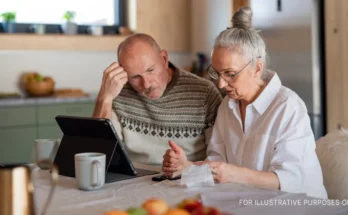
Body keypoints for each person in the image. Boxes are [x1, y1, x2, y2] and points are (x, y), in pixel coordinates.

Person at [162, 7, 327, 199]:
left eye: (230, 74)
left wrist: (233, 174)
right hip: (250, 202)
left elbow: (290, 179)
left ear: (257, 68)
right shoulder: (227, 106)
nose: (221, 84)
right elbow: (217, 166)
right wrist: (187, 167)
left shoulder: (287, 106)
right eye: (216, 72)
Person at [92, 33, 222, 165]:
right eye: (135, 77)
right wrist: (104, 98)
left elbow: (219, 159)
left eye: (151, 70)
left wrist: (188, 167)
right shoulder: (118, 92)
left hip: (188, 179)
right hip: (135, 180)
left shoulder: (204, 92)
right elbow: (100, 154)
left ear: (164, 59)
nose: (147, 84)